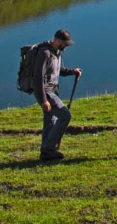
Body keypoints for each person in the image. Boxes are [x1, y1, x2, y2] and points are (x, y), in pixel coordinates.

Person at [34, 28, 82, 162]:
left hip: (53, 91)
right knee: (65, 115)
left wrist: (73, 72)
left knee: (50, 121)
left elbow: (58, 70)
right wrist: (43, 100)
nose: (66, 46)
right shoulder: (45, 53)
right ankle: (49, 149)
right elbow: (37, 78)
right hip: (46, 92)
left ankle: (46, 153)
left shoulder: (56, 53)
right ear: (58, 40)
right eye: (65, 43)